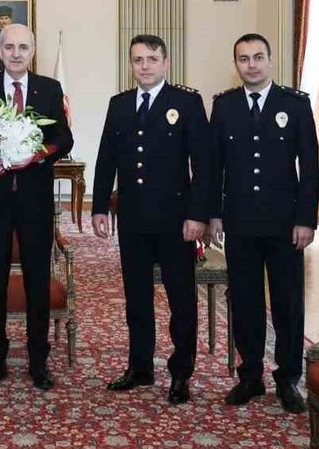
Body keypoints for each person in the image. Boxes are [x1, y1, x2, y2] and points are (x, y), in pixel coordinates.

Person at [90, 34, 211, 404]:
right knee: (137, 299)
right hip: (132, 219)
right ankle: (140, 366)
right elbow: (106, 158)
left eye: (152, 59)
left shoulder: (186, 102)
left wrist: (198, 214)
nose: (144, 66)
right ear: (131, 64)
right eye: (138, 60)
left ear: (166, 62)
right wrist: (99, 207)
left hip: (176, 221)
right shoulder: (120, 104)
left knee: (181, 300)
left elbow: (203, 164)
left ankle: (181, 372)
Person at [209, 33, 317, 413]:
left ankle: (288, 378)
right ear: (236, 64)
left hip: (285, 223)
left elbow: (310, 166)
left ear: (270, 61)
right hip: (240, 222)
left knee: (288, 302)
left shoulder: (295, 104)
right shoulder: (224, 106)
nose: (251, 65)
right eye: (244, 59)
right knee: (245, 300)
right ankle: (250, 375)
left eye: (258, 57)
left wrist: (306, 218)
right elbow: (214, 166)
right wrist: (214, 213)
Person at [0, 23, 74, 392]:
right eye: (9, 47)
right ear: (0, 51)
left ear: (32, 51)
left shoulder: (49, 88)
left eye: (23, 47)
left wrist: (39, 153)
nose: (15, 53)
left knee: (37, 280)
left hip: (35, 201)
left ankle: (38, 359)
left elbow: (64, 136)